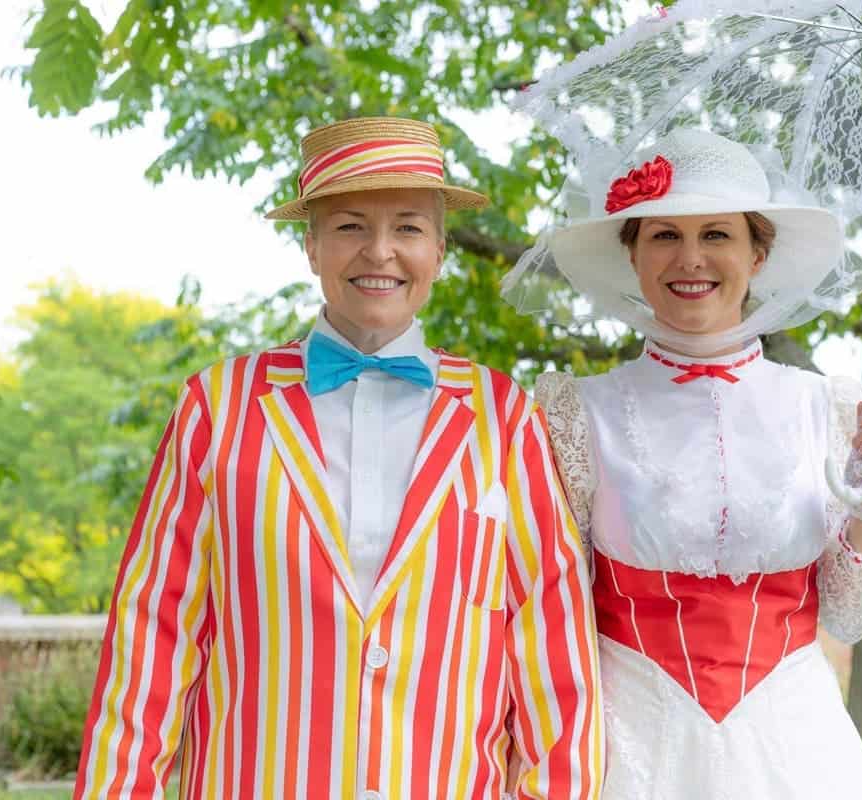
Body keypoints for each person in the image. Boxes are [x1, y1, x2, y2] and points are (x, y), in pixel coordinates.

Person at [73, 116, 602, 800]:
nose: (379, 251)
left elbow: (552, 647)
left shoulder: (504, 418)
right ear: (311, 245)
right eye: (351, 225)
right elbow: (152, 638)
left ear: (440, 249)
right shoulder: (219, 408)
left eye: (408, 227)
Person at [521, 128, 862, 798]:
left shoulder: (830, 406)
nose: (690, 258)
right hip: (627, 744)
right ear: (633, 255)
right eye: (664, 234)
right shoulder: (573, 415)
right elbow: (544, 605)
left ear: (758, 253)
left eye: (718, 235)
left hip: (796, 746)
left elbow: (849, 618)